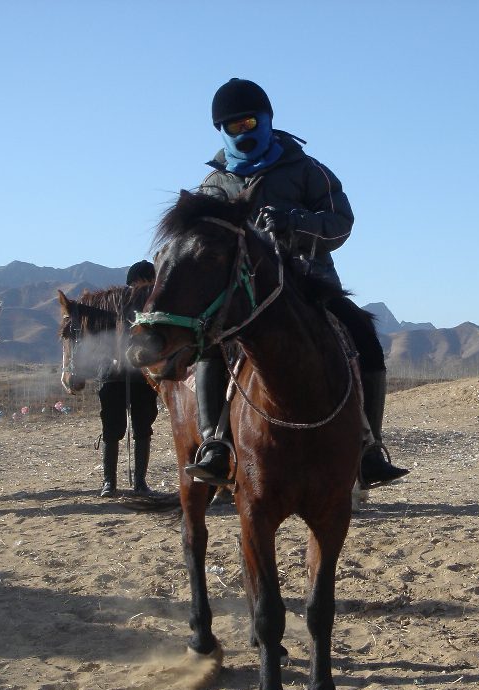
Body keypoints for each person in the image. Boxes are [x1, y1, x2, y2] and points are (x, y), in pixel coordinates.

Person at [185, 77, 408, 489]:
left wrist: (295, 223)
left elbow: (342, 223)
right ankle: (215, 444)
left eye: (250, 122)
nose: (243, 133)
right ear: (221, 131)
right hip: (244, 295)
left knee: (364, 336)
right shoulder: (213, 187)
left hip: (311, 284)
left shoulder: (308, 170)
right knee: (209, 347)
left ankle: (369, 446)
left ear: (267, 120)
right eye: (233, 127)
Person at [96, 260, 160, 497]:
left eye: (150, 283)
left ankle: (140, 482)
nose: (146, 287)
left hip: (143, 376)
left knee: (143, 427)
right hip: (113, 375)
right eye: (143, 282)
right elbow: (100, 335)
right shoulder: (114, 303)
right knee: (113, 427)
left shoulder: (154, 306)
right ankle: (109, 482)